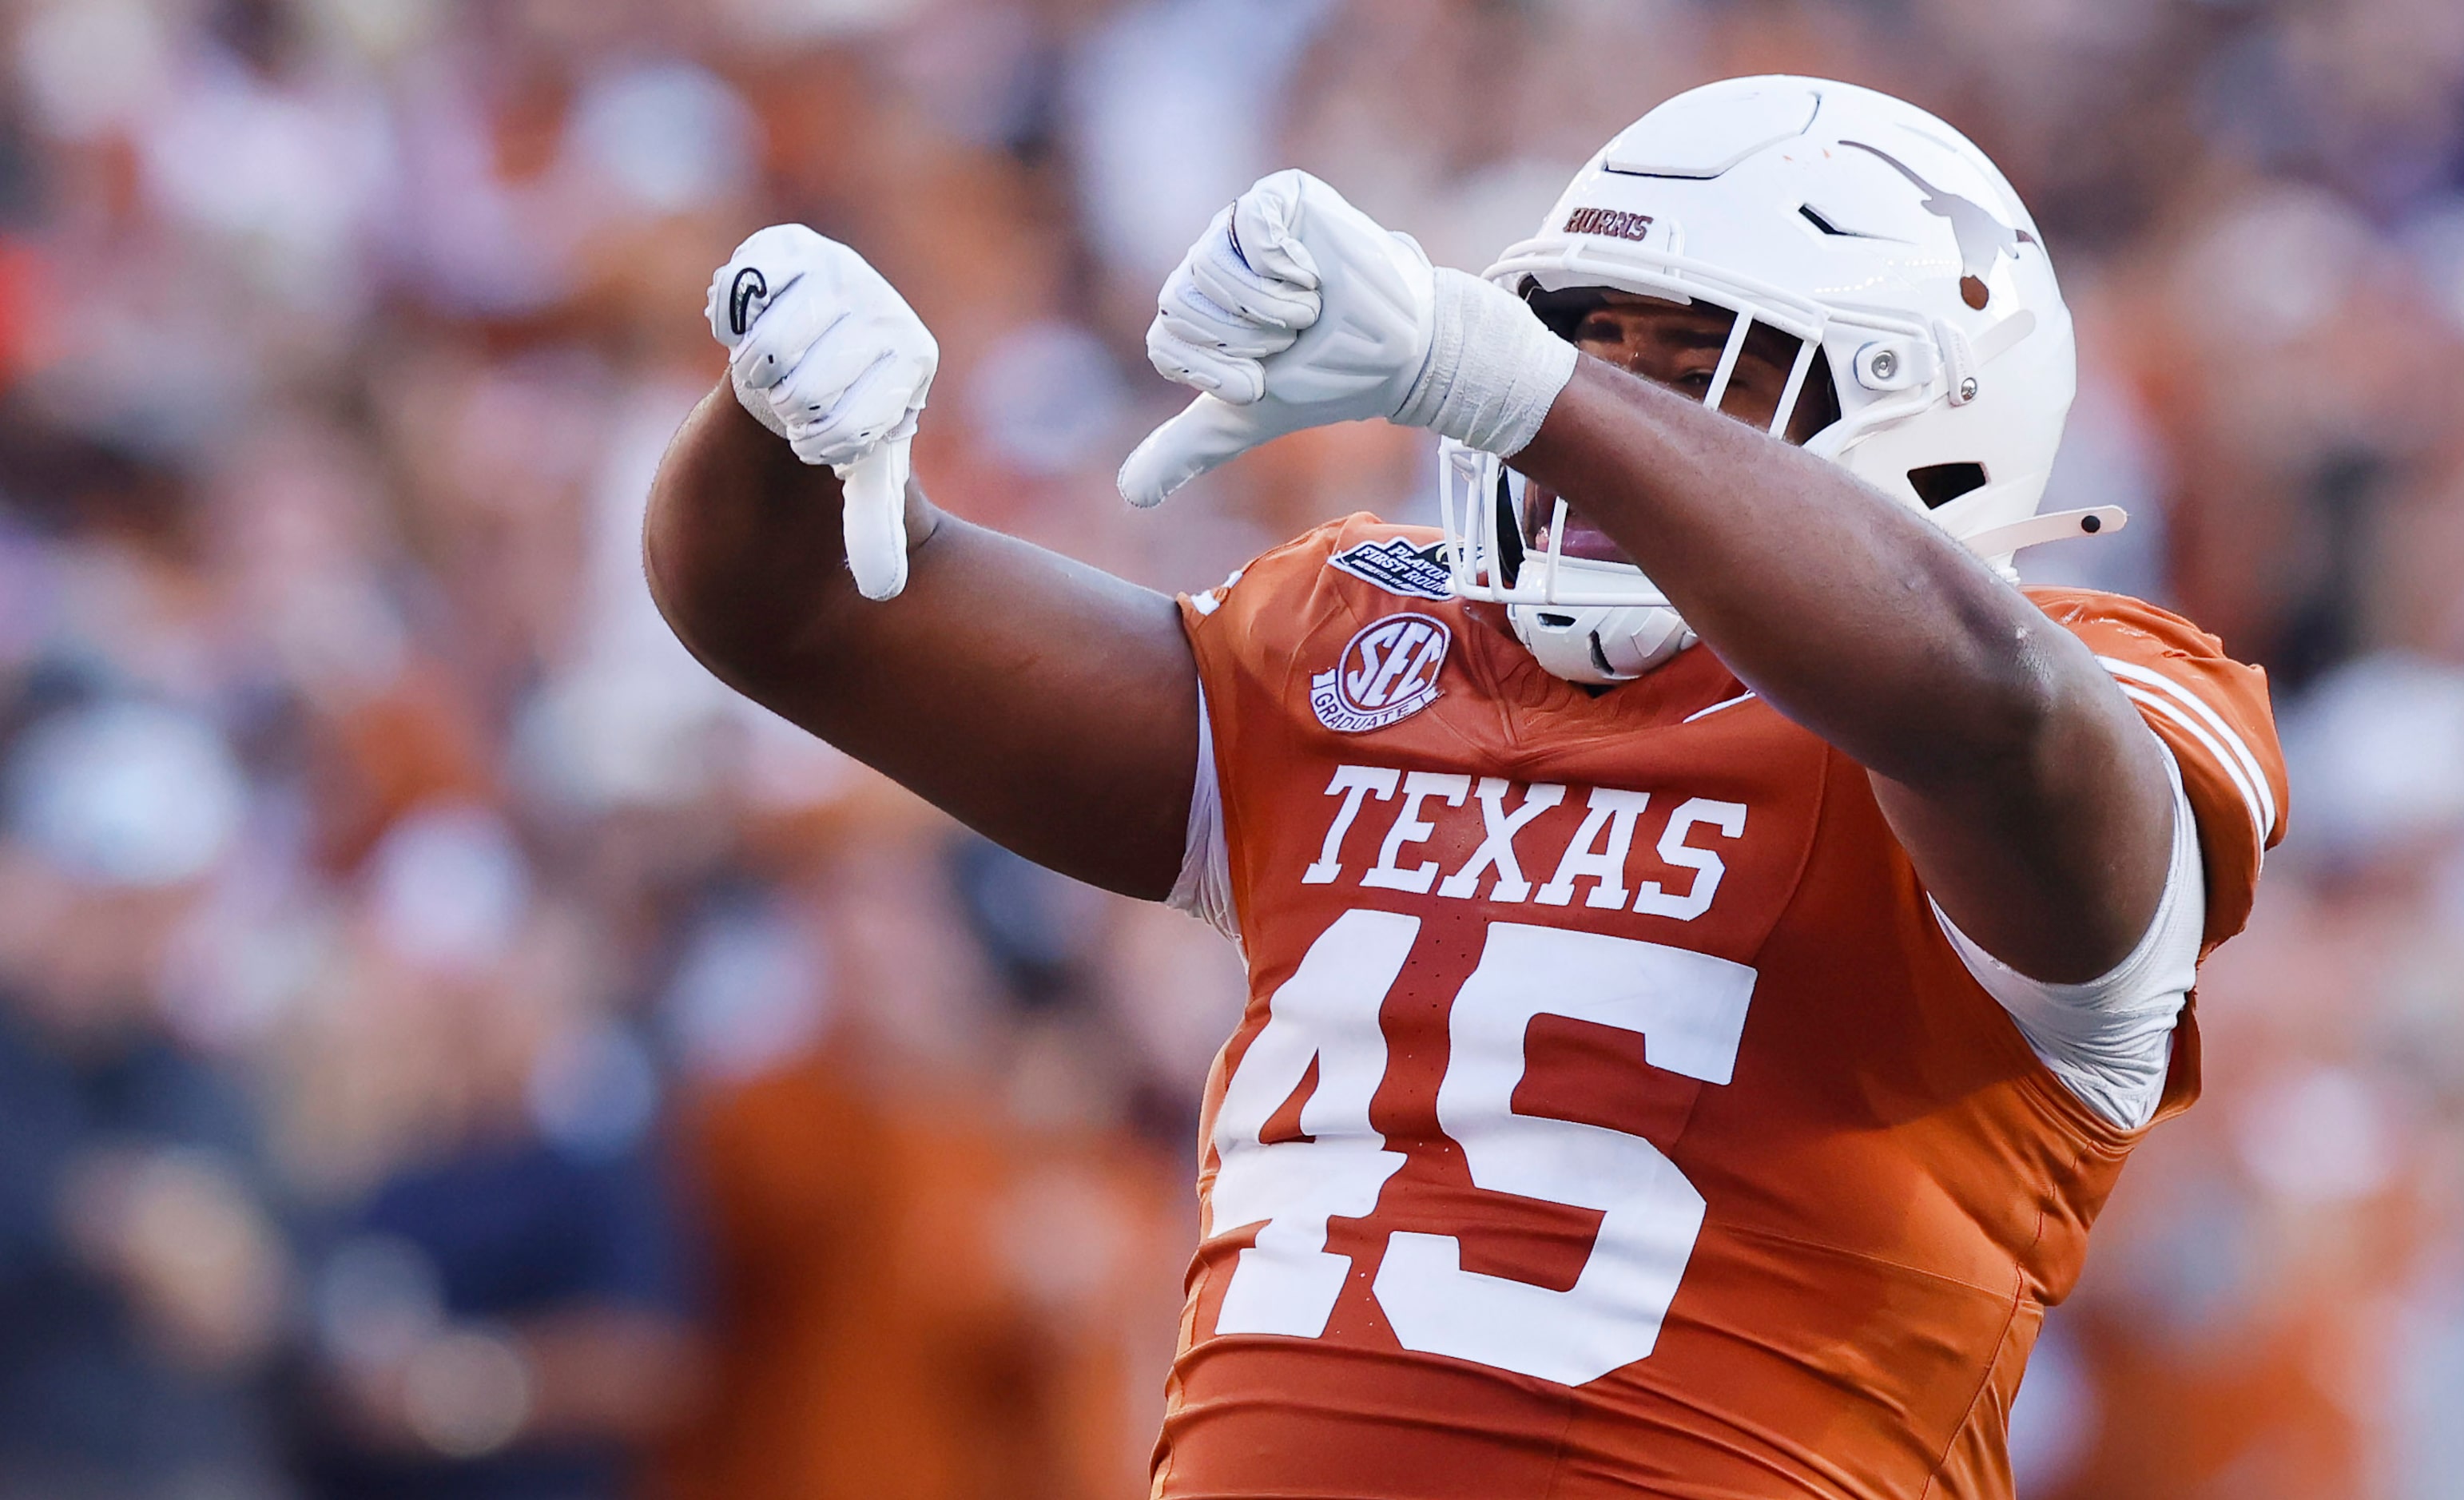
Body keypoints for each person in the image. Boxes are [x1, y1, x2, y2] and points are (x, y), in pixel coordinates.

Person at [648, 74, 2286, 1499]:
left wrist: (1520, 383)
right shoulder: (1354, 650)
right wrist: (777, 426)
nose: (1591, 416)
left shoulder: (2086, 700)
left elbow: (1984, 706)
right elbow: (784, 611)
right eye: (1585, 343)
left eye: (1699, 364)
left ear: (1933, 427)